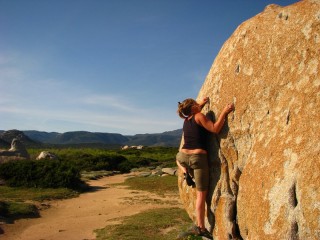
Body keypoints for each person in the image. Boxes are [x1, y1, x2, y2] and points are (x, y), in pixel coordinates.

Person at [176, 97, 234, 239]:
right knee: (201, 195)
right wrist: (225, 112)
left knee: (178, 160)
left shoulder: (186, 120)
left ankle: (185, 172)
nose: (198, 104)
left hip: (183, 157)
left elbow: (196, 115)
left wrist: (200, 104)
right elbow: (215, 129)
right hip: (198, 159)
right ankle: (201, 227)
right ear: (193, 108)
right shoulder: (199, 116)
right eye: (196, 103)